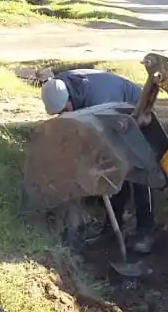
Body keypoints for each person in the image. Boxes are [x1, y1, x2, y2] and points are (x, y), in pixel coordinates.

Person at [40, 69, 156, 253]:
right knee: (112, 171)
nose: (63, 115)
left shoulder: (100, 100)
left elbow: (107, 140)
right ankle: (112, 228)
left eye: (65, 110)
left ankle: (145, 230)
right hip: (111, 117)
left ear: (70, 99)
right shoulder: (58, 88)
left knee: (137, 170)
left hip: (136, 113)